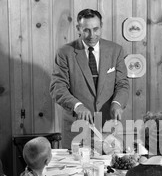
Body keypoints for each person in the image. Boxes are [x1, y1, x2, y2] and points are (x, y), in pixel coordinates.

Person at [50, 8, 130, 149]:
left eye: (96, 29)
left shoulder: (115, 50)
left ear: (101, 27)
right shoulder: (65, 53)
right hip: (77, 126)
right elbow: (57, 87)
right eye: (86, 30)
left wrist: (117, 103)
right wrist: (77, 106)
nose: (92, 35)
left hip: (108, 125)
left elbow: (122, 84)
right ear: (78, 29)